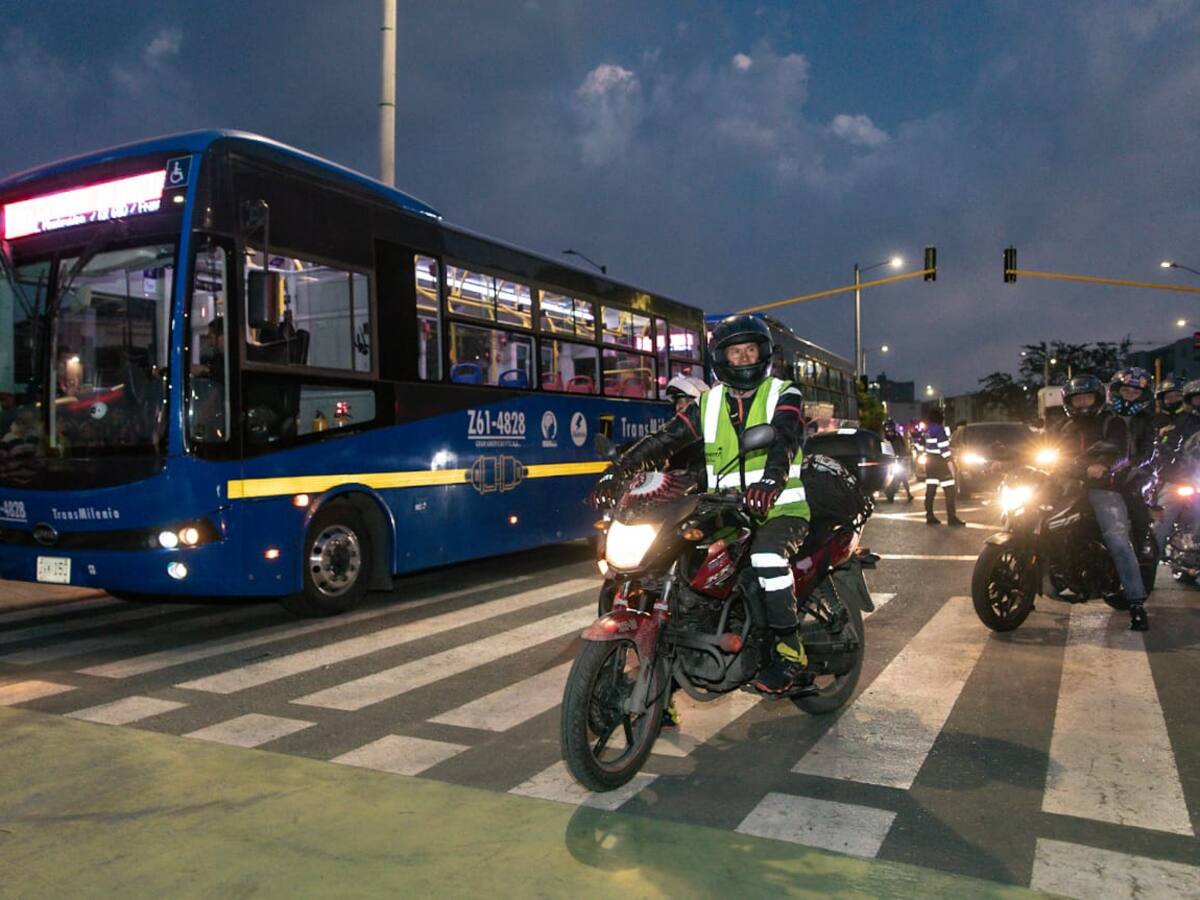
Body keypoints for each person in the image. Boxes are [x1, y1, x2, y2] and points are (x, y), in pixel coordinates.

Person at [591, 314, 811, 694]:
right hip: (725, 508)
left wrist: (773, 478)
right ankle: (666, 688)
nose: (743, 359)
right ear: (721, 358)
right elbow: (666, 439)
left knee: (766, 559)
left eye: (750, 350)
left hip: (778, 509)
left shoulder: (783, 392)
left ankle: (789, 651)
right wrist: (618, 469)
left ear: (763, 355)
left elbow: (785, 437)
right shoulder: (708, 403)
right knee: (676, 569)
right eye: (735, 352)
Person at [1059, 371, 1155, 631]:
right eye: (1077, 400)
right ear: (1069, 402)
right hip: (1067, 486)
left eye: (1087, 398)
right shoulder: (1066, 426)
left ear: (1098, 398)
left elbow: (1120, 452)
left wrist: (1103, 466)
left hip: (1103, 487)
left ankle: (1136, 602)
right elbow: (1048, 451)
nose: (1083, 404)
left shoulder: (1112, 422)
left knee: (1116, 538)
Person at [1153, 378, 1200, 556]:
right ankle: (1149, 566)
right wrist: (1177, 471)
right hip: (1182, 479)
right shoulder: (1179, 423)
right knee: (1164, 518)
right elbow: (1167, 450)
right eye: (1197, 398)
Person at [921, 409, 965, 526]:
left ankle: (929, 515)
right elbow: (944, 449)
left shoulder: (927, 430)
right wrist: (951, 463)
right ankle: (951, 517)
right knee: (949, 490)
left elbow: (925, 444)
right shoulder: (940, 429)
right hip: (940, 462)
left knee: (930, 490)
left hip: (930, 462)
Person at [882, 418, 913, 502]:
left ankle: (908, 493)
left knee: (902, 476)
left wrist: (903, 456)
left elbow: (903, 448)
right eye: (888, 431)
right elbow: (881, 450)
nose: (890, 432)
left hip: (898, 460)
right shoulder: (883, 439)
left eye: (891, 430)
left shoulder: (898, 437)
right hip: (887, 462)